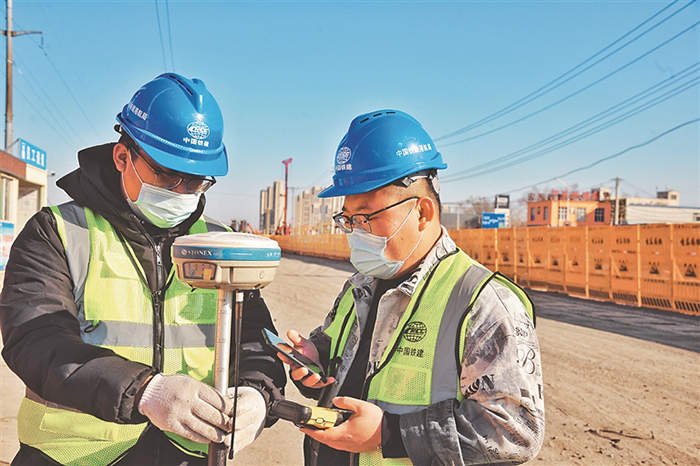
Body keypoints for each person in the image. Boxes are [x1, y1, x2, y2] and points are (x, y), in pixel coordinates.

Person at [0, 73, 286, 466]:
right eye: (167, 175)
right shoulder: (58, 231)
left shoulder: (222, 246)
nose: (181, 191)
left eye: (197, 181)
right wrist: (144, 391)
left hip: (186, 454)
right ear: (123, 157)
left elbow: (254, 341)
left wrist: (257, 394)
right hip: (73, 456)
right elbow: (36, 340)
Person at [281, 110, 544, 465]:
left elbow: (515, 431)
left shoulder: (482, 301)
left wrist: (390, 434)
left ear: (422, 212)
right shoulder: (361, 285)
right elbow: (347, 361)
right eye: (348, 219)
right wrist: (315, 361)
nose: (355, 232)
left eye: (365, 216)